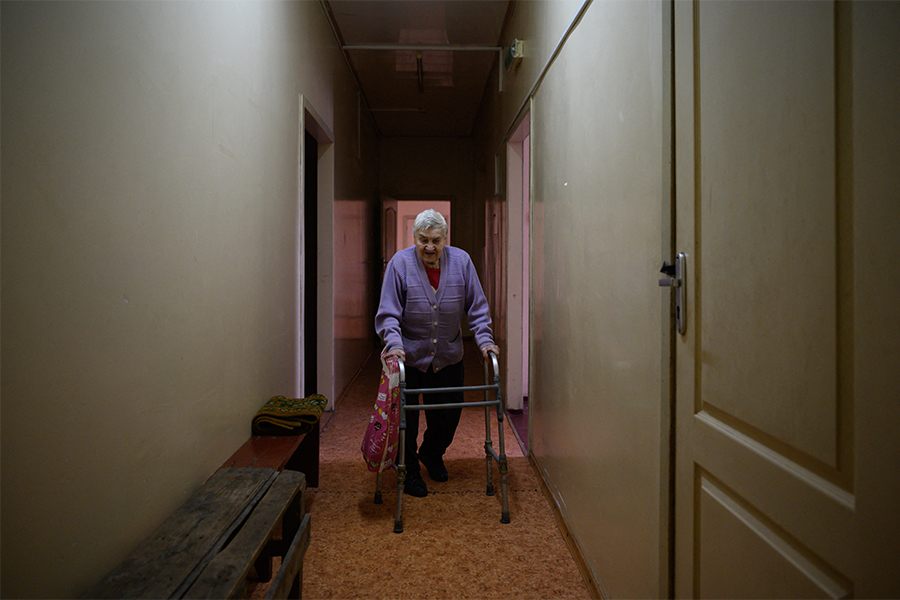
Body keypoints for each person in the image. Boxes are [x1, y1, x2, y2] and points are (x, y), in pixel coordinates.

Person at [375, 209, 500, 497]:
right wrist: (394, 344)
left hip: (448, 355)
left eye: (435, 240)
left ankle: (431, 454)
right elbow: (388, 314)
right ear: (414, 238)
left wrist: (485, 341)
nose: (429, 247)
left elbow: (477, 309)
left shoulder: (462, 262)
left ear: (445, 239)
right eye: (423, 240)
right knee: (407, 418)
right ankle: (408, 471)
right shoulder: (399, 264)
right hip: (409, 356)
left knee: (447, 416)